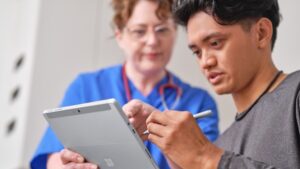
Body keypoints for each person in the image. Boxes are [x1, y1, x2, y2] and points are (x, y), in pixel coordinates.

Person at [30, 0, 220, 169]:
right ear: (120, 36)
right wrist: (64, 164)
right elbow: (49, 157)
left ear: (175, 34)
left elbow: (204, 165)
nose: (153, 41)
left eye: (162, 30)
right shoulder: (86, 87)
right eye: (139, 31)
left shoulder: (198, 101)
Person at [124, 0, 300, 168]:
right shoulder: (222, 144)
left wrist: (204, 158)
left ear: (261, 33)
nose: (205, 62)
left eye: (215, 43)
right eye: (197, 52)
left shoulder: (296, 95)